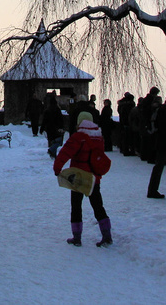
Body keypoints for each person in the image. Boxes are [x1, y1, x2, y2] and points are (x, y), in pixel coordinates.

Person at [53, 111, 112, 247]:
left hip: (78, 178)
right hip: (93, 179)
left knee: (76, 207)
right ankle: (107, 235)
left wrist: (57, 168)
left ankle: (77, 237)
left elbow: (65, 153)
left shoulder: (78, 137)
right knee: (98, 206)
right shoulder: (98, 137)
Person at [42, 93, 65, 159]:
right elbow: (61, 119)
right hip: (56, 127)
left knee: (51, 140)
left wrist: (42, 128)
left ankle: (53, 154)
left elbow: (44, 120)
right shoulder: (57, 110)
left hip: (49, 128)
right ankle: (52, 151)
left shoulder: (47, 110)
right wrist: (61, 127)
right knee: (58, 140)